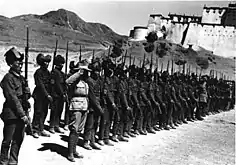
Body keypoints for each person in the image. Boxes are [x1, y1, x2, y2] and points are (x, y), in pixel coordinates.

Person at [66, 60, 103, 162]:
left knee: (79, 130)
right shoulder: (75, 80)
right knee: (74, 129)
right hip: (76, 106)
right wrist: (78, 73)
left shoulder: (86, 81)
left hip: (84, 107)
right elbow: (67, 82)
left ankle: (74, 150)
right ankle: (70, 153)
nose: (87, 73)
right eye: (85, 71)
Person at [0, 47, 31, 165]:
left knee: (18, 139)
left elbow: (26, 97)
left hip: (21, 112)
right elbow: (12, 98)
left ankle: (13, 161)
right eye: (17, 62)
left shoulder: (22, 78)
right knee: (7, 140)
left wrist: (27, 91)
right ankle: (3, 161)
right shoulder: (7, 78)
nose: (20, 64)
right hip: (11, 113)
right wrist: (22, 114)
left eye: (21, 62)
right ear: (10, 63)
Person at [31, 54, 52, 138]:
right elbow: (40, 85)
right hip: (39, 95)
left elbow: (50, 84)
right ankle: (35, 129)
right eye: (45, 62)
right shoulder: (38, 72)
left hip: (46, 95)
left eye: (48, 62)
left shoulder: (48, 72)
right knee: (38, 112)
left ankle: (41, 128)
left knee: (44, 111)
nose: (47, 64)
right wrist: (47, 95)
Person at [49, 55, 67, 134]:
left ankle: (57, 125)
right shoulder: (54, 72)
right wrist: (62, 92)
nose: (62, 65)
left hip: (61, 95)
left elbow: (64, 84)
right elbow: (57, 84)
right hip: (55, 94)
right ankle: (51, 126)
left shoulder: (62, 73)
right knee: (54, 111)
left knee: (60, 110)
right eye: (60, 63)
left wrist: (64, 92)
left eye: (63, 63)